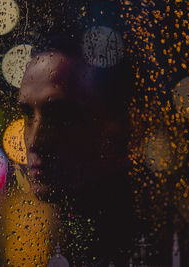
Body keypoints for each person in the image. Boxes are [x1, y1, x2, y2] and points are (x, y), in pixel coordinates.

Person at [17, 41, 136, 265]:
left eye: (60, 116)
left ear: (114, 127)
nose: (34, 141)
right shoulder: (77, 229)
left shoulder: (146, 237)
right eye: (26, 115)